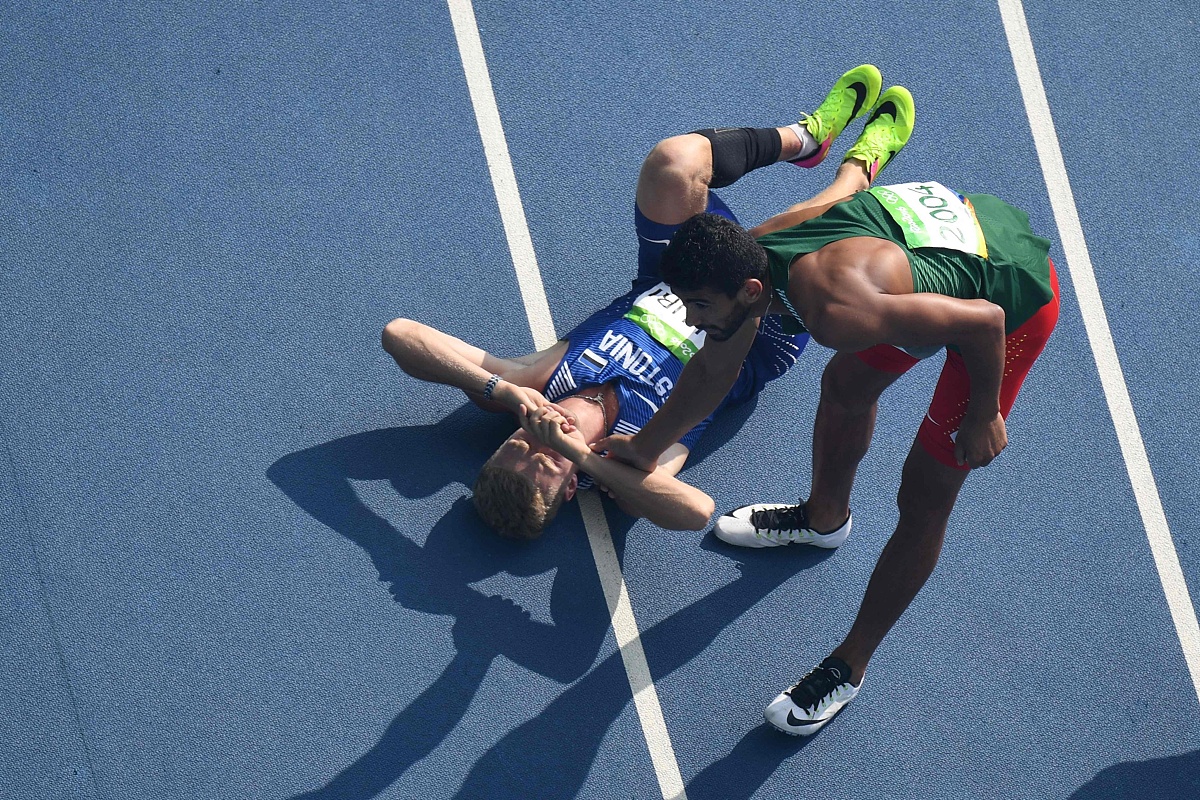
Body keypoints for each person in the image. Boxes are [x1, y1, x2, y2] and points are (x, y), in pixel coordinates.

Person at [596, 72, 1060, 735]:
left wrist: (984, 415)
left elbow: (981, 321)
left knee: (924, 493)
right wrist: (637, 449)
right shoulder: (761, 250)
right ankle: (823, 518)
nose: (694, 323)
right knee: (844, 387)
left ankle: (850, 665)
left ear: (751, 290)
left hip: (1008, 304)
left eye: (699, 307)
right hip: (932, 261)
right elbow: (708, 372)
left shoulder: (836, 311)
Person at [381, 67, 890, 540]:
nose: (542, 438)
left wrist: (504, 392)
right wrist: (585, 457)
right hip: (756, 326)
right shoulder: (630, 460)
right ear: (570, 485)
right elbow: (696, 511)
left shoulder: (537, 385)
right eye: (548, 460)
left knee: (673, 163)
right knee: (814, 231)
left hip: (674, 280)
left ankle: (804, 139)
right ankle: (857, 172)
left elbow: (400, 334)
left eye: (519, 444)